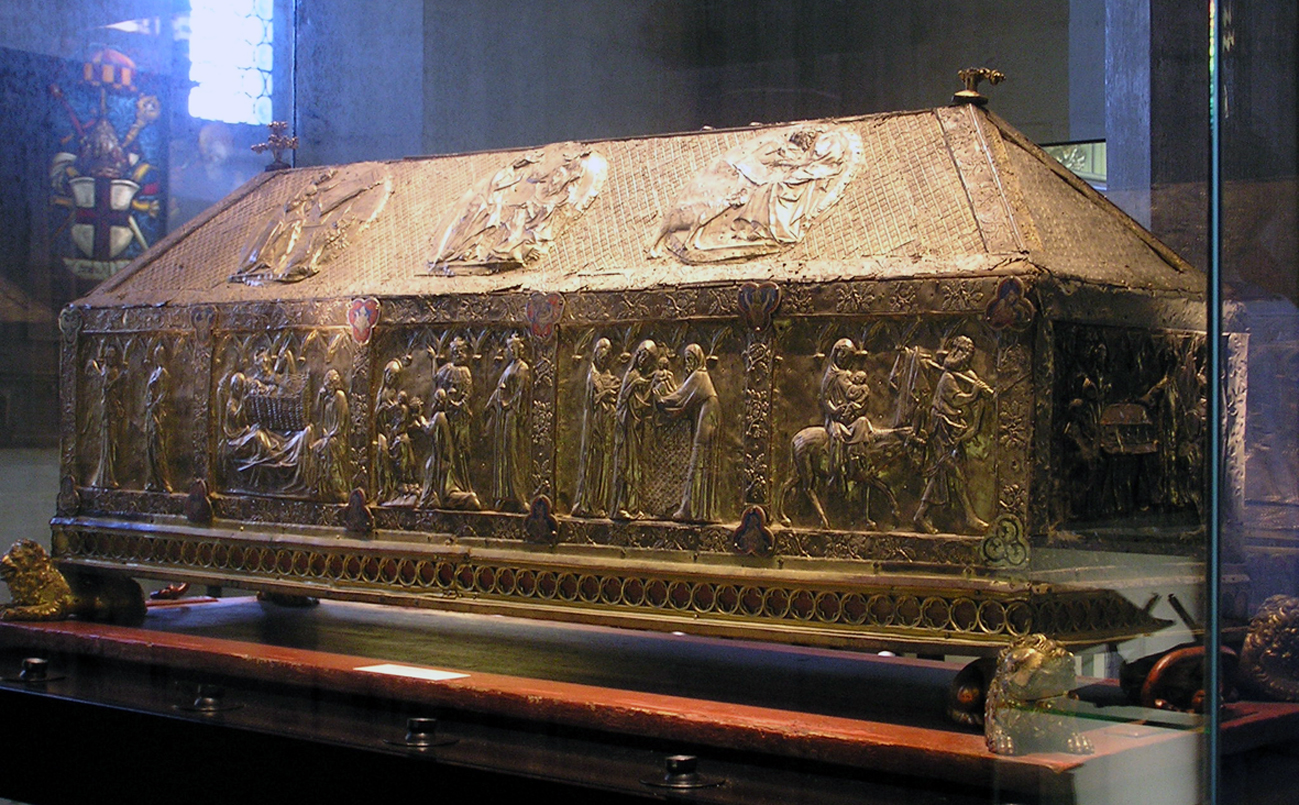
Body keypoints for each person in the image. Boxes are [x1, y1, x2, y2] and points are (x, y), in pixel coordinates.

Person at [914, 336, 991, 534]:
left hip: (955, 428)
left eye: (969, 355)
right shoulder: (947, 378)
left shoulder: (967, 374)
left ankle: (921, 516)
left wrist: (980, 404)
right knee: (953, 470)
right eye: (964, 353)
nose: (966, 357)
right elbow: (956, 400)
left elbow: (978, 402)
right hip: (942, 428)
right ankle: (969, 517)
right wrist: (973, 394)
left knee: (945, 471)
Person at [658, 344, 720, 522]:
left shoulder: (699, 375)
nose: (688, 364)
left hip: (708, 413)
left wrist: (661, 398)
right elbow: (683, 393)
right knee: (703, 458)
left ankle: (691, 510)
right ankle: (700, 509)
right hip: (707, 411)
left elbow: (679, 397)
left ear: (698, 360)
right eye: (687, 360)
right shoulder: (698, 376)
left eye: (691, 360)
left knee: (700, 456)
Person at [422, 338, 479, 509]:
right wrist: (433, 359)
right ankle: (446, 488)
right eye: (455, 352)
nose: (458, 355)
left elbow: (468, 395)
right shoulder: (446, 369)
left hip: (460, 419)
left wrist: (457, 404)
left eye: (461, 351)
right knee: (446, 450)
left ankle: (461, 486)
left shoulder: (465, 372)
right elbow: (435, 378)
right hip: (447, 417)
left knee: (460, 452)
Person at [610, 340, 658, 520]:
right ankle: (620, 506)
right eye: (642, 355)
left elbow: (641, 403)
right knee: (625, 466)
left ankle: (633, 506)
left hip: (634, 430)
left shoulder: (639, 378)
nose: (643, 359)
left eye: (648, 357)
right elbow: (630, 402)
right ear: (637, 356)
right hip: (626, 429)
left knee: (634, 467)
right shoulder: (632, 377)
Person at [485, 334, 532, 511]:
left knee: (512, 453)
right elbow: (500, 389)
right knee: (502, 453)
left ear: (520, 349)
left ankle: (519, 497)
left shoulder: (522, 368)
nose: (511, 350)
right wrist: (493, 403)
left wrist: (509, 404)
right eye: (509, 347)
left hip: (512, 414)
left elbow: (521, 392)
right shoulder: (509, 367)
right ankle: (503, 496)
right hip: (502, 415)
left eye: (514, 347)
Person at [572, 338, 617, 517]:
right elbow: (593, 400)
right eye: (601, 357)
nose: (604, 360)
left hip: (606, 425)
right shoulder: (593, 375)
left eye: (606, 357)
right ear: (596, 355)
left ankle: (600, 503)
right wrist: (606, 393)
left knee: (604, 462)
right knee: (593, 463)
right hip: (594, 426)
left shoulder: (606, 374)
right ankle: (588, 504)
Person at [143, 342, 172, 492]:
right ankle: (152, 481)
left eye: (160, 355)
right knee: (150, 446)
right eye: (156, 354)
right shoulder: (155, 372)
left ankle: (163, 481)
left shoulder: (163, 373)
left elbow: (164, 394)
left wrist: (154, 406)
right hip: (151, 413)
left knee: (158, 447)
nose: (157, 357)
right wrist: (149, 406)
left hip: (158, 414)